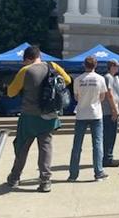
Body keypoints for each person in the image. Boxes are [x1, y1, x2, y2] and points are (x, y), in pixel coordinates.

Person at [6, 46, 71, 192]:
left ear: (27, 59)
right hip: (49, 114)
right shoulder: (52, 66)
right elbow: (67, 80)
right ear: (39, 55)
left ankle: (15, 177)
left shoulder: (25, 71)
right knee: (45, 147)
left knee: (22, 147)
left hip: (29, 116)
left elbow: (11, 92)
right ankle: (45, 180)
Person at [68, 56, 109, 182]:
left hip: (81, 113)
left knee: (77, 145)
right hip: (95, 114)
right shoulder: (100, 79)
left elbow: (76, 97)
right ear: (95, 65)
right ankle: (98, 172)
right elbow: (102, 97)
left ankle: (73, 174)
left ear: (84, 65)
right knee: (97, 144)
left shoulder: (78, 80)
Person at [102, 59, 119, 167]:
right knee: (109, 135)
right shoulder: (108, 77)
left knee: (111, 135)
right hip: (109, 111)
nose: (118, 68)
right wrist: (114, 109)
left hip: (111, 110)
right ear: (112, 66)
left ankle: (108, 157)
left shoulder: (112, 78)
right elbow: (109, 94)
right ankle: (107, 158)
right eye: (117, 66)